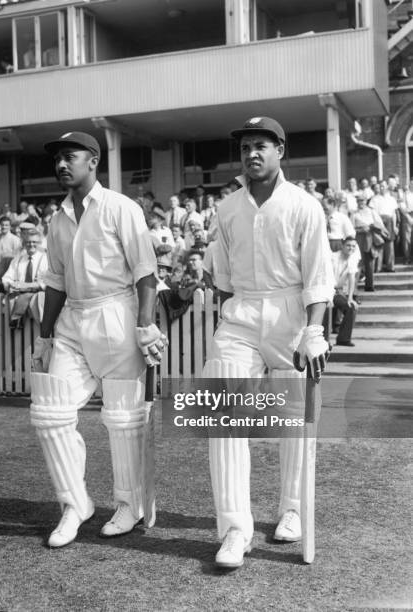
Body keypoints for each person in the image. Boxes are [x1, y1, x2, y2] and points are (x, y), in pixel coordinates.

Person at [202, 117, 334, 569]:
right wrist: (230, 317)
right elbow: (221, 280)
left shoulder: (304, 205)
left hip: (291, 315)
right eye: (244, 148)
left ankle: (292, 510)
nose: (251, 154)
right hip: (240, 314)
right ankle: (235, 529)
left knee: (292, 420)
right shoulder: (227, 208)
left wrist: (314, 331)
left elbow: (318, 277)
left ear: (281, 150)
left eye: (261, 145)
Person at [31, 131, 167, 548]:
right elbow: (55, 280)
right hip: (73, 319)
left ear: (93, 161)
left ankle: (128, 505)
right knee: (50, 412)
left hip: (117, 314)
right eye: (57, 158)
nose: (61, 164)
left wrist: (145, 325)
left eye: (69, 156)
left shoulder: (120, 207)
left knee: (124, 420)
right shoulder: (57, 220)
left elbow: (145, 271)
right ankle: (75, 504)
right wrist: (44, 335)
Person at [2, 229, 48, 328]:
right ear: (24, 243)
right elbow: (7, 278)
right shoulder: (18, 259)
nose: (31, 244)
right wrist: (10, 285)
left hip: (38, 303)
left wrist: (29, 285)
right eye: (28, 242)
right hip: (19, 297)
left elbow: (48, 282)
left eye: (34, 242)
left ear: (39, 243)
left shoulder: (46, 259)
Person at [330, 237, 359, 347]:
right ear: (342, 246)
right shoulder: (333, 257)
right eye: (348, 245)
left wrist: (350, 298)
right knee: (327, 308)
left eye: (353, 246)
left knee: (351, 307)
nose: (350, 248)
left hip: (337, 292)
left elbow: (352, 279)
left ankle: (343, 339)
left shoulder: (352, 259)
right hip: (326, 290)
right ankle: (323, 340)